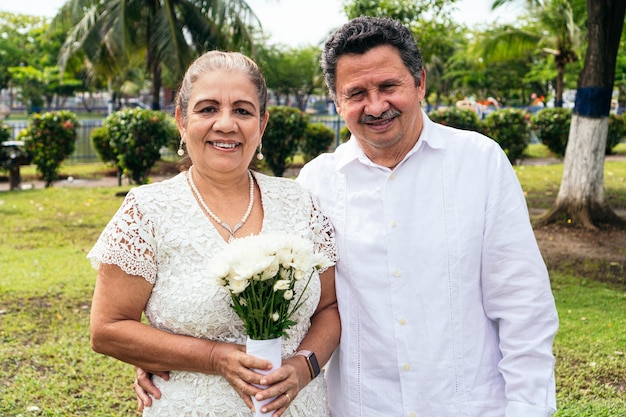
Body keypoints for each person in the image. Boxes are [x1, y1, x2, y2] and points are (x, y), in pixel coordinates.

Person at [137, 17, 559, 417]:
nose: (375, 106)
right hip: (359, 406)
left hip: (469, 405)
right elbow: (282, 294)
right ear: (337, 101)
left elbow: (523, 306)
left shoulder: (479, 162)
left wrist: (528, 409)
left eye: (389, 86)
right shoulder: (316, 185)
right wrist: (166, 358)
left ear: (420, 82)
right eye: (356, 93)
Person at [88, 50, 340, 417]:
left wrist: (303, 368)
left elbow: (329, 308)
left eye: (242, 110)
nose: (225, 124)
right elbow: (108, 329)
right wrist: (214, 357)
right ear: (181, 120)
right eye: (207, 109)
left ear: (262, 124)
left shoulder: (300, 202)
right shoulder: (146, 210)